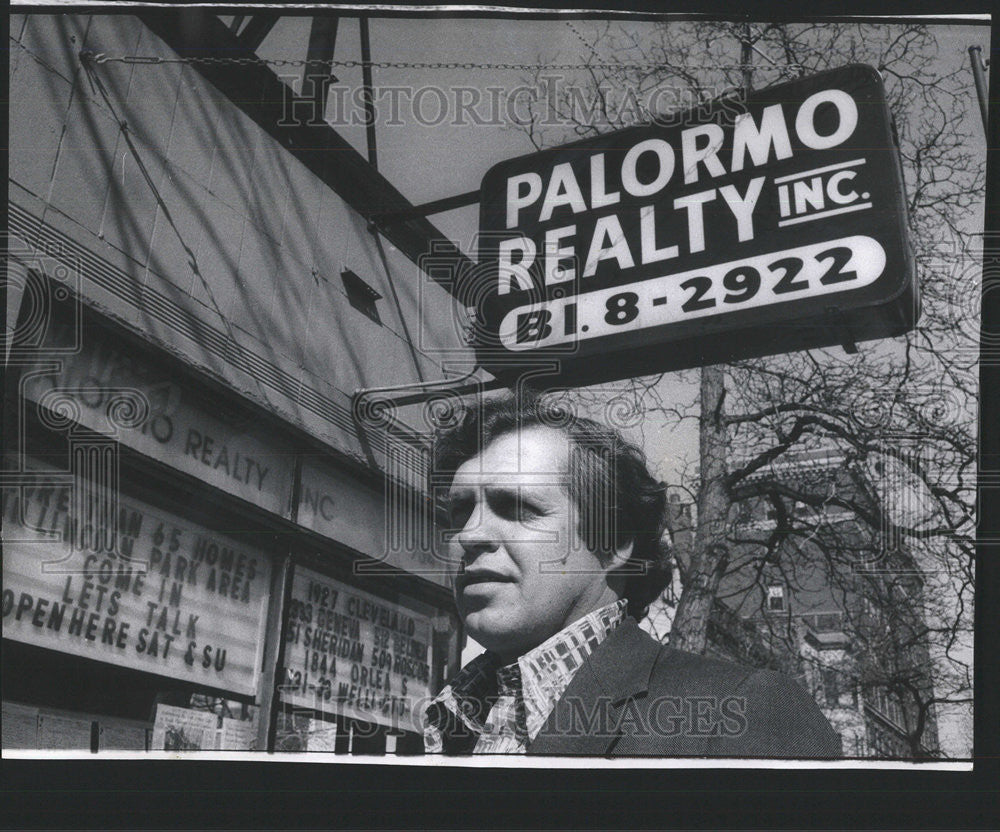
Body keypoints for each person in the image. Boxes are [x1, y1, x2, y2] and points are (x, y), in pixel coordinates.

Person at [422, 392, 841, 757]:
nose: (470, 534)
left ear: (615, 541)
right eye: (460, 512)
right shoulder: (443, 724)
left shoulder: (745, 713)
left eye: (517, 507)